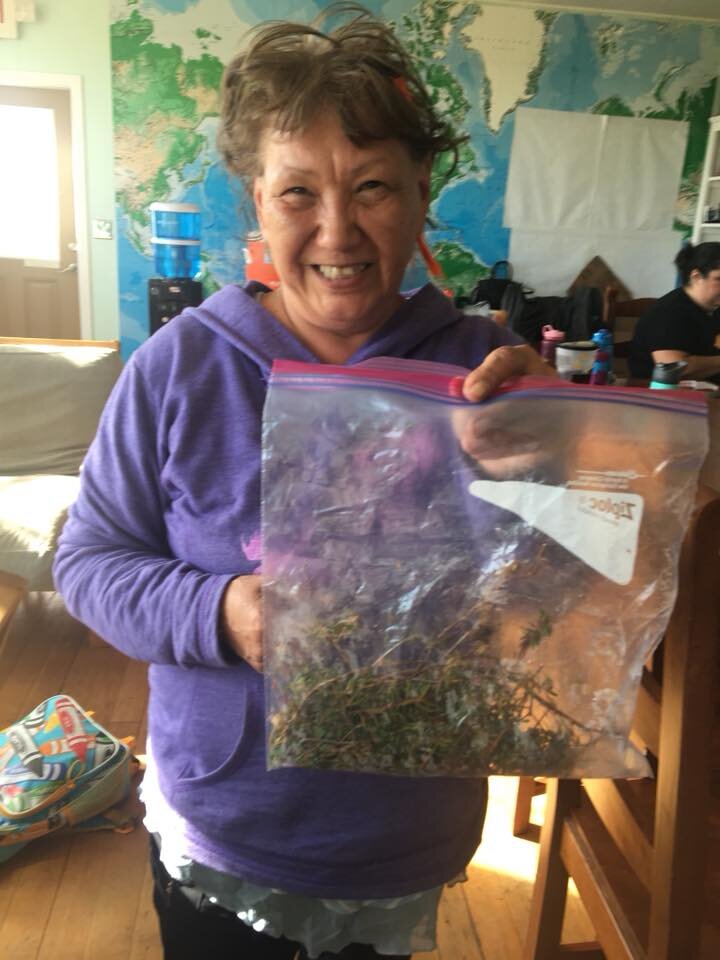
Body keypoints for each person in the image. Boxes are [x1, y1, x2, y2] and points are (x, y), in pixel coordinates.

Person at [54, 6, 553, 959]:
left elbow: (563, 594)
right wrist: (221, 613)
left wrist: (566, 451)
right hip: (225, 824)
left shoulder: (485, 373)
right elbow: (88, 562)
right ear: (257, 199)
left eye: (373, 187)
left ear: (421, 193)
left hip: (406, 832)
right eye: (297, 192)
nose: (337, 229)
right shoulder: (178, 367)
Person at [629, 241, 720, 381]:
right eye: (718, 279)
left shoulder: (712, 308)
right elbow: (675, 369)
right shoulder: (667, 313)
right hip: (660, 391)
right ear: (696, 277)